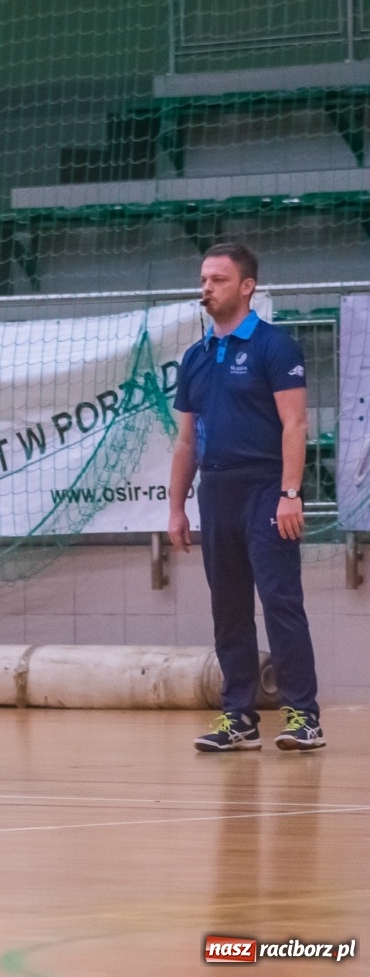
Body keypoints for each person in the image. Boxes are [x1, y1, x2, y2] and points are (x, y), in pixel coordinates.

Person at [169, 242, 324, 752]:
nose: (206, 288)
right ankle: (238, 716)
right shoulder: (195, 357)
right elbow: (187, 440)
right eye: (203, 279)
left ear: (246, 286)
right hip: (217, 492)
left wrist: (289, 492)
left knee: (280, 600)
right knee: (228, 606)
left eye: (216, 279)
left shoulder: (274, 347)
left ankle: (303, 715)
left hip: (266, 489)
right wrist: (175, 508)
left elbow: (295, 423)